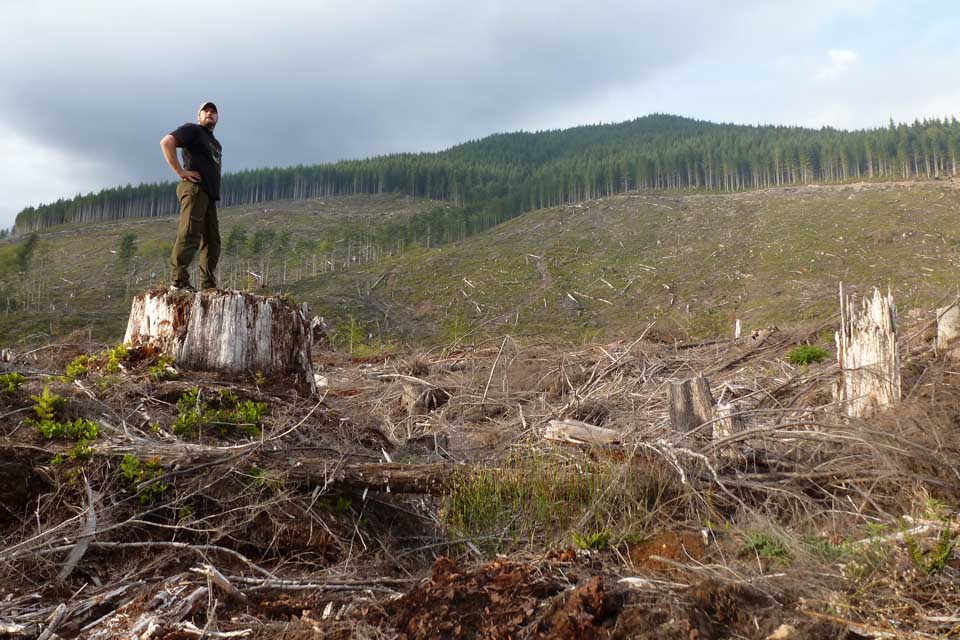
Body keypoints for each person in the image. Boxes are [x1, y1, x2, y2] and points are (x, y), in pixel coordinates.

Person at [160, 101, 223, 291]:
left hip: (209, 195)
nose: (210, 113)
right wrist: (180, 171)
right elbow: (167, 142)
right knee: (190, 233)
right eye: (206, 111)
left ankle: (208, 286)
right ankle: (178, 282)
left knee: (213, 241)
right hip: (194, 189)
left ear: (217, 118)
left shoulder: (216, 144)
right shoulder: (193, 130)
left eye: (213, 111)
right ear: (199, 116)